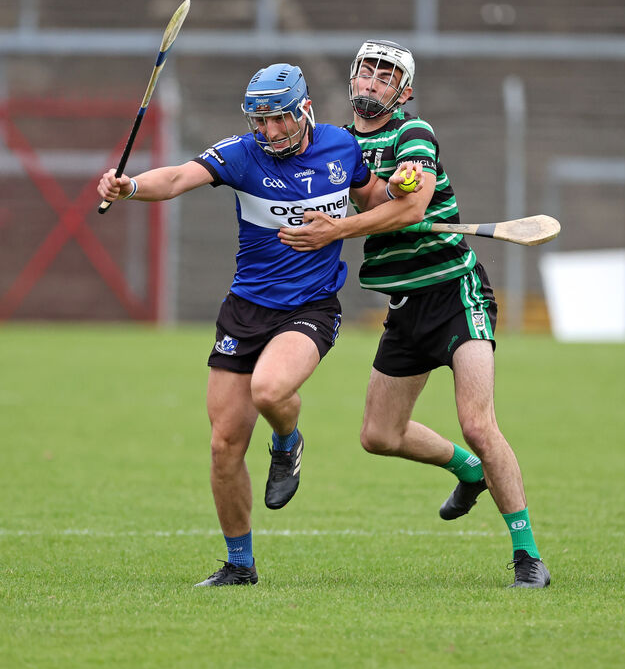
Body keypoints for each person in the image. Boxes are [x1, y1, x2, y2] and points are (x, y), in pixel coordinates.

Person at [97, 62, 423, 587]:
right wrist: (130, 185)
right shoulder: (242, 155)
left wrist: (401, 186)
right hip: (245, 310)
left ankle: (287, 442)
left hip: (311, 308)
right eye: (260, 120)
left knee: (270, 390)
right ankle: (239, 565)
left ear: (306, 111)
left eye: (280, 120)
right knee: (224, 447)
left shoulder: (341, 147)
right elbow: (179, 176)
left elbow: (373, 200)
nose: (270, 132)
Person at [278, 40, 550, 588]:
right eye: (367, 72)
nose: (374, 82)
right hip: (403, 306)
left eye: (387, 76)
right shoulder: (338, 146)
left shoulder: (414, 133)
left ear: (404, 91)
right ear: (353, 80)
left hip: (456, 293)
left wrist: (346, 223)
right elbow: (349, 194)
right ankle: (466, 471)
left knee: (477, 423)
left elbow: (412, 207)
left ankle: (527, 555)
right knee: (379, 435)